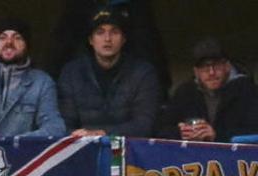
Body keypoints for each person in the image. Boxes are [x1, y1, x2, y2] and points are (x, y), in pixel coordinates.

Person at [57, 7, 161, 137]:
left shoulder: (143, 73)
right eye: (100, 32)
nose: (107, 39)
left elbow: (144, 125)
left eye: (114, 32)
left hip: (128, 149)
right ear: (91, 40)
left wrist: (103, 133)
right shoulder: (72, 73)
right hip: (83, 147)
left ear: (123, 39)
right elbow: (63, 124)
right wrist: (77, 135)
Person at [44, 0, 171, 97]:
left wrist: (161, 89)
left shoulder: (137, 8)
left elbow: (150, 46)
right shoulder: (77, 7)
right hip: (86, 82)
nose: (107, 38)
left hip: (130, 82)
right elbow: (61, 46)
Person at [156, 37, 258, 143]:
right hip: (191, 157)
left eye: (216, 65)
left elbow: (254, 133)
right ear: (196, 72)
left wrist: (216, 135)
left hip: (235, 158)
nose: (211, 72)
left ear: (227, 66)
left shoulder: (248, 91)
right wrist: (181, 132)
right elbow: (162, 130)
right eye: (204, 67)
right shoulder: (185, 92)